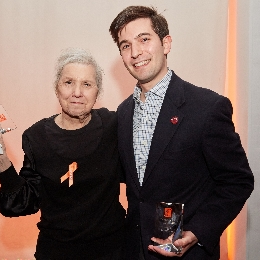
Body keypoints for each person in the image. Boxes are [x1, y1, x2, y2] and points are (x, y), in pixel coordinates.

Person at [109, 5, 254, 260]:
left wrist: (197, 231)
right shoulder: (122, 113)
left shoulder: (207, 108)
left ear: (166, 44)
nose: (135, 52)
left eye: (144, 39)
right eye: (125, 45)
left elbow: (238, 182)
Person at [0, 48, 126, 260]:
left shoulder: (114, 126)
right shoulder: (36, 136)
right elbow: (25, 202)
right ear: (57, 88)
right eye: (68, 82)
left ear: (98, 91)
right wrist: (2, 159)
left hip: (112, 250)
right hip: (57, 252)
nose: (77, 92)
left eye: (87, 84)